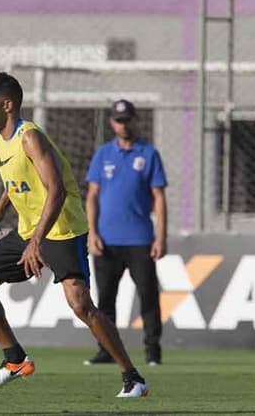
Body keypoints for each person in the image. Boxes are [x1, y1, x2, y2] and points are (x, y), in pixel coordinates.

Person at [0, 72, 148, 398]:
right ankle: (15, 359)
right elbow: (19, 178)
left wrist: (36, 242)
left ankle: (133, 379)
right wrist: (0, 210)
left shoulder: (29, 137)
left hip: (61, 229)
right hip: (29, 229)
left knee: (81, 306)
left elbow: (56, 190)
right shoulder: (0, 138)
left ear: (7, 105)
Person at [84, 99, 167, 366]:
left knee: (148, 296)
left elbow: (159, 197)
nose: (123, 124)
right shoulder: (103, 154)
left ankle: (152, 351)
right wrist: (92, 233)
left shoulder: (149, 154)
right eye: (119, 120)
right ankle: (106, 350)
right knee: (106, 298)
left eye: (127, 119)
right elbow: (92, 196)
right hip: (107, 240)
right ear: (112, 123)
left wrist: (161, 236)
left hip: (140, 238)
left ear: (134, 120)